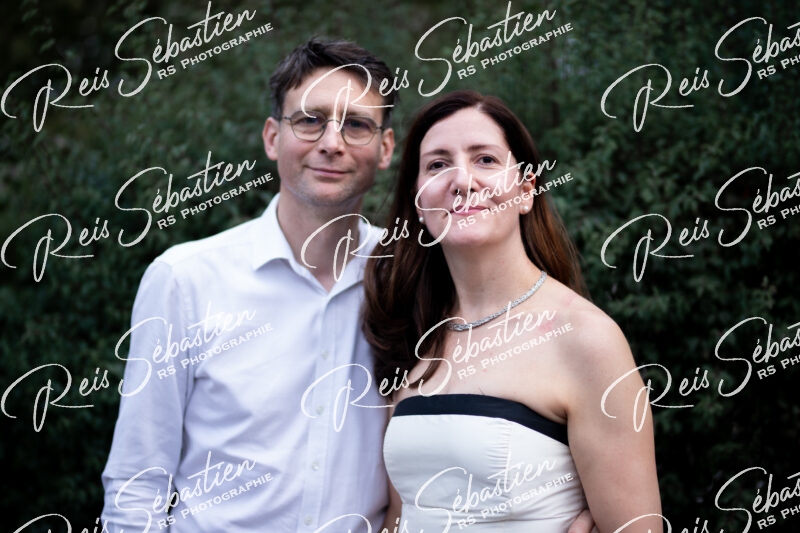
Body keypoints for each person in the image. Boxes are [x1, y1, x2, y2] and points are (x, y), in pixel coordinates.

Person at [100, 37, 396, 532]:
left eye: (357, 125)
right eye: (310, 120)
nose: (332, 142)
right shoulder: (185, 280)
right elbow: (137, 484)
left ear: (385, 148)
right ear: (272, 137)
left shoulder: (406, 273)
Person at [363, 90, 662, 532]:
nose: (462, 180)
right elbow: (400, 515)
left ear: (525, 191)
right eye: (438, 164)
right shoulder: (412, 331)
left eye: (485, 159)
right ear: (419, 202)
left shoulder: (585, 339)